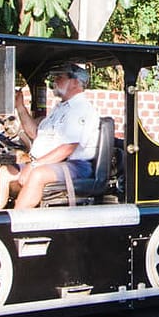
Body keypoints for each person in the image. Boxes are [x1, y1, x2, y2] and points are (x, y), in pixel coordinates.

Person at [11, 63, 100, 209]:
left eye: (60, 77)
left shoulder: (81, 108)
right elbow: (34, 133)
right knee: (4, 172)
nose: (55, 81)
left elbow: (67, 148)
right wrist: (20, 107)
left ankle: (12, 227)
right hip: (49, 161)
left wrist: (34, 165)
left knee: (37, 175)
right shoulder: (59, 108)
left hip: (75, 165)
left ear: (76, 82)